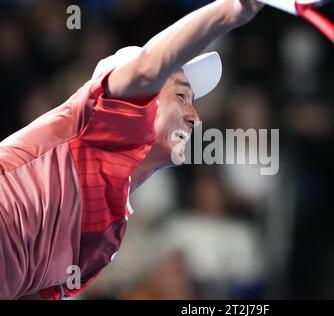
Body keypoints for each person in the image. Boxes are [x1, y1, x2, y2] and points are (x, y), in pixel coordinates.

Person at [0, 0, 264, 300]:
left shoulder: (107, 239)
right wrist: (233, 10)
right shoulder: (95, 116)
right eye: (181, 95)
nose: (194, 116)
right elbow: (148, 68)